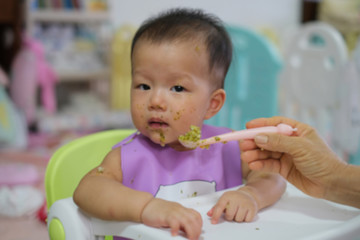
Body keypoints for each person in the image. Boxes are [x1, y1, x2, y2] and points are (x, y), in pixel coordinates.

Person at [73, 8, 286, 240]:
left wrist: (251, 196)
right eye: (144, 86)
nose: (155, 101)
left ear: (212, 104)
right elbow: (87, 190)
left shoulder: (226, 146)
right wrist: (146, 207)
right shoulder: (129, 156)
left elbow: (272, 177)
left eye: (177, 88)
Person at [239, 116, 360, 209]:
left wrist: (251, 195)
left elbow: (273, 178)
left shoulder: (232, 147)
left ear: (218, 102)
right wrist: (332, 178)